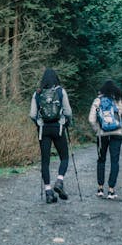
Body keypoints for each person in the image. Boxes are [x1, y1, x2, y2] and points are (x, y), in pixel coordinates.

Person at [30, 68, 72, 203]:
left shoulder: (37, 93)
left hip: (44, 130)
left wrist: (38, 123)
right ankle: (59, 181)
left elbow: (32, 114)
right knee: (64, 157)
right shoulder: (60, 91)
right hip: (58, 128)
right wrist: (66, 122)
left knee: (45, 161)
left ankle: (48, 192)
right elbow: (68, 112)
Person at [88, 79, 122, 199]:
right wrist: (121, 129)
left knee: (101, 160)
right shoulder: (121, 101)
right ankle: (111, 190)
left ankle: (100, 188)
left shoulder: (98, 101)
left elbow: (91, 119)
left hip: (102, 135)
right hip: (117, 134)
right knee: (114, 161)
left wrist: (97, 130)